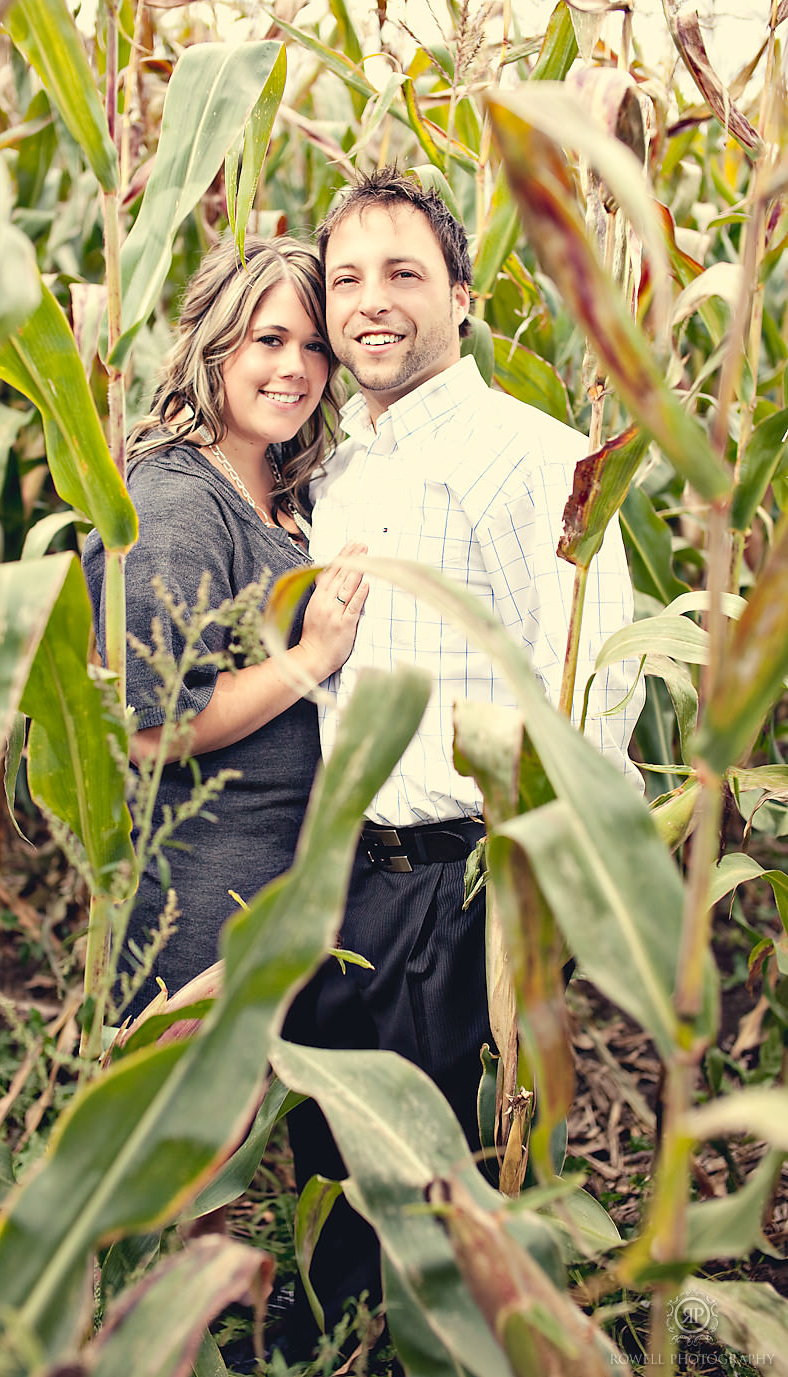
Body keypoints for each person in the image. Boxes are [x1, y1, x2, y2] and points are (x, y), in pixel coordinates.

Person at [281, 168, 645, 1348]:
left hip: (464, 891)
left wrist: (542, 912)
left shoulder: (533, 458)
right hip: (343, 885)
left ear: (464, 295)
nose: (370, 302)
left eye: (402, 273)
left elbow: (600, 691)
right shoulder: (337, 474)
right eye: (346, 279)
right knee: (340, 1180)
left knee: (455, 1208)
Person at [82, 235, 367, 1020]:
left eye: (316, 347)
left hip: (278, 885)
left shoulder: (282, 486)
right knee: (186, 1132)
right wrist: (313, 657)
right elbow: (153, 726)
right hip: (199, 899)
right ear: (213, 340)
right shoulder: (177, 499)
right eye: (269, 339)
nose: (297, 369)